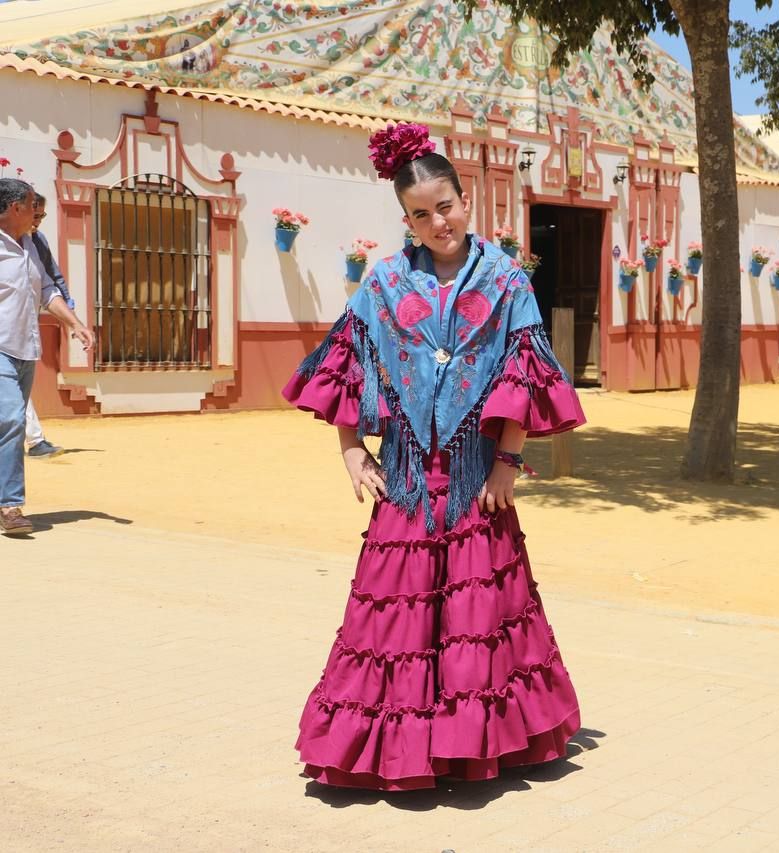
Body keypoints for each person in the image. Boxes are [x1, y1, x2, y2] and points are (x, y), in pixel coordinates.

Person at [282, 123, 586, 790]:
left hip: (478, 481)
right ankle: (393, 750)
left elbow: (523, 370)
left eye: (444, 206)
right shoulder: (385, 282)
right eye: (420, 214)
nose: (436, 222)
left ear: (465, 200)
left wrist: (508, 460)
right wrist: (348, 448)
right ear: (406, 218)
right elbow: (349, 361)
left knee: (480, 617)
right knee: (393, 617)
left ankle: (471, 745)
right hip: (408, 482)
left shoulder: (506, 280)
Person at [0, 179, 94, 536]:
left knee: (9, 426)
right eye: (32, 207)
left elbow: (47, 289)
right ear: (15, 209)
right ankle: (10, 506)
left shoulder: (34, 243)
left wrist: (75, 324)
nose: (38, 214)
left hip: (25, 347)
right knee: (10, 420)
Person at [25, 192, 71, 459]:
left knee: (14, 387)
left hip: (20, 327)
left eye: (42, 215)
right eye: (35, 214)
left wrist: (67, 307)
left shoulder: (37, 241)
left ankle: (35, 440)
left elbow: (51, 276)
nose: (38, 220)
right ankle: (35, 440)